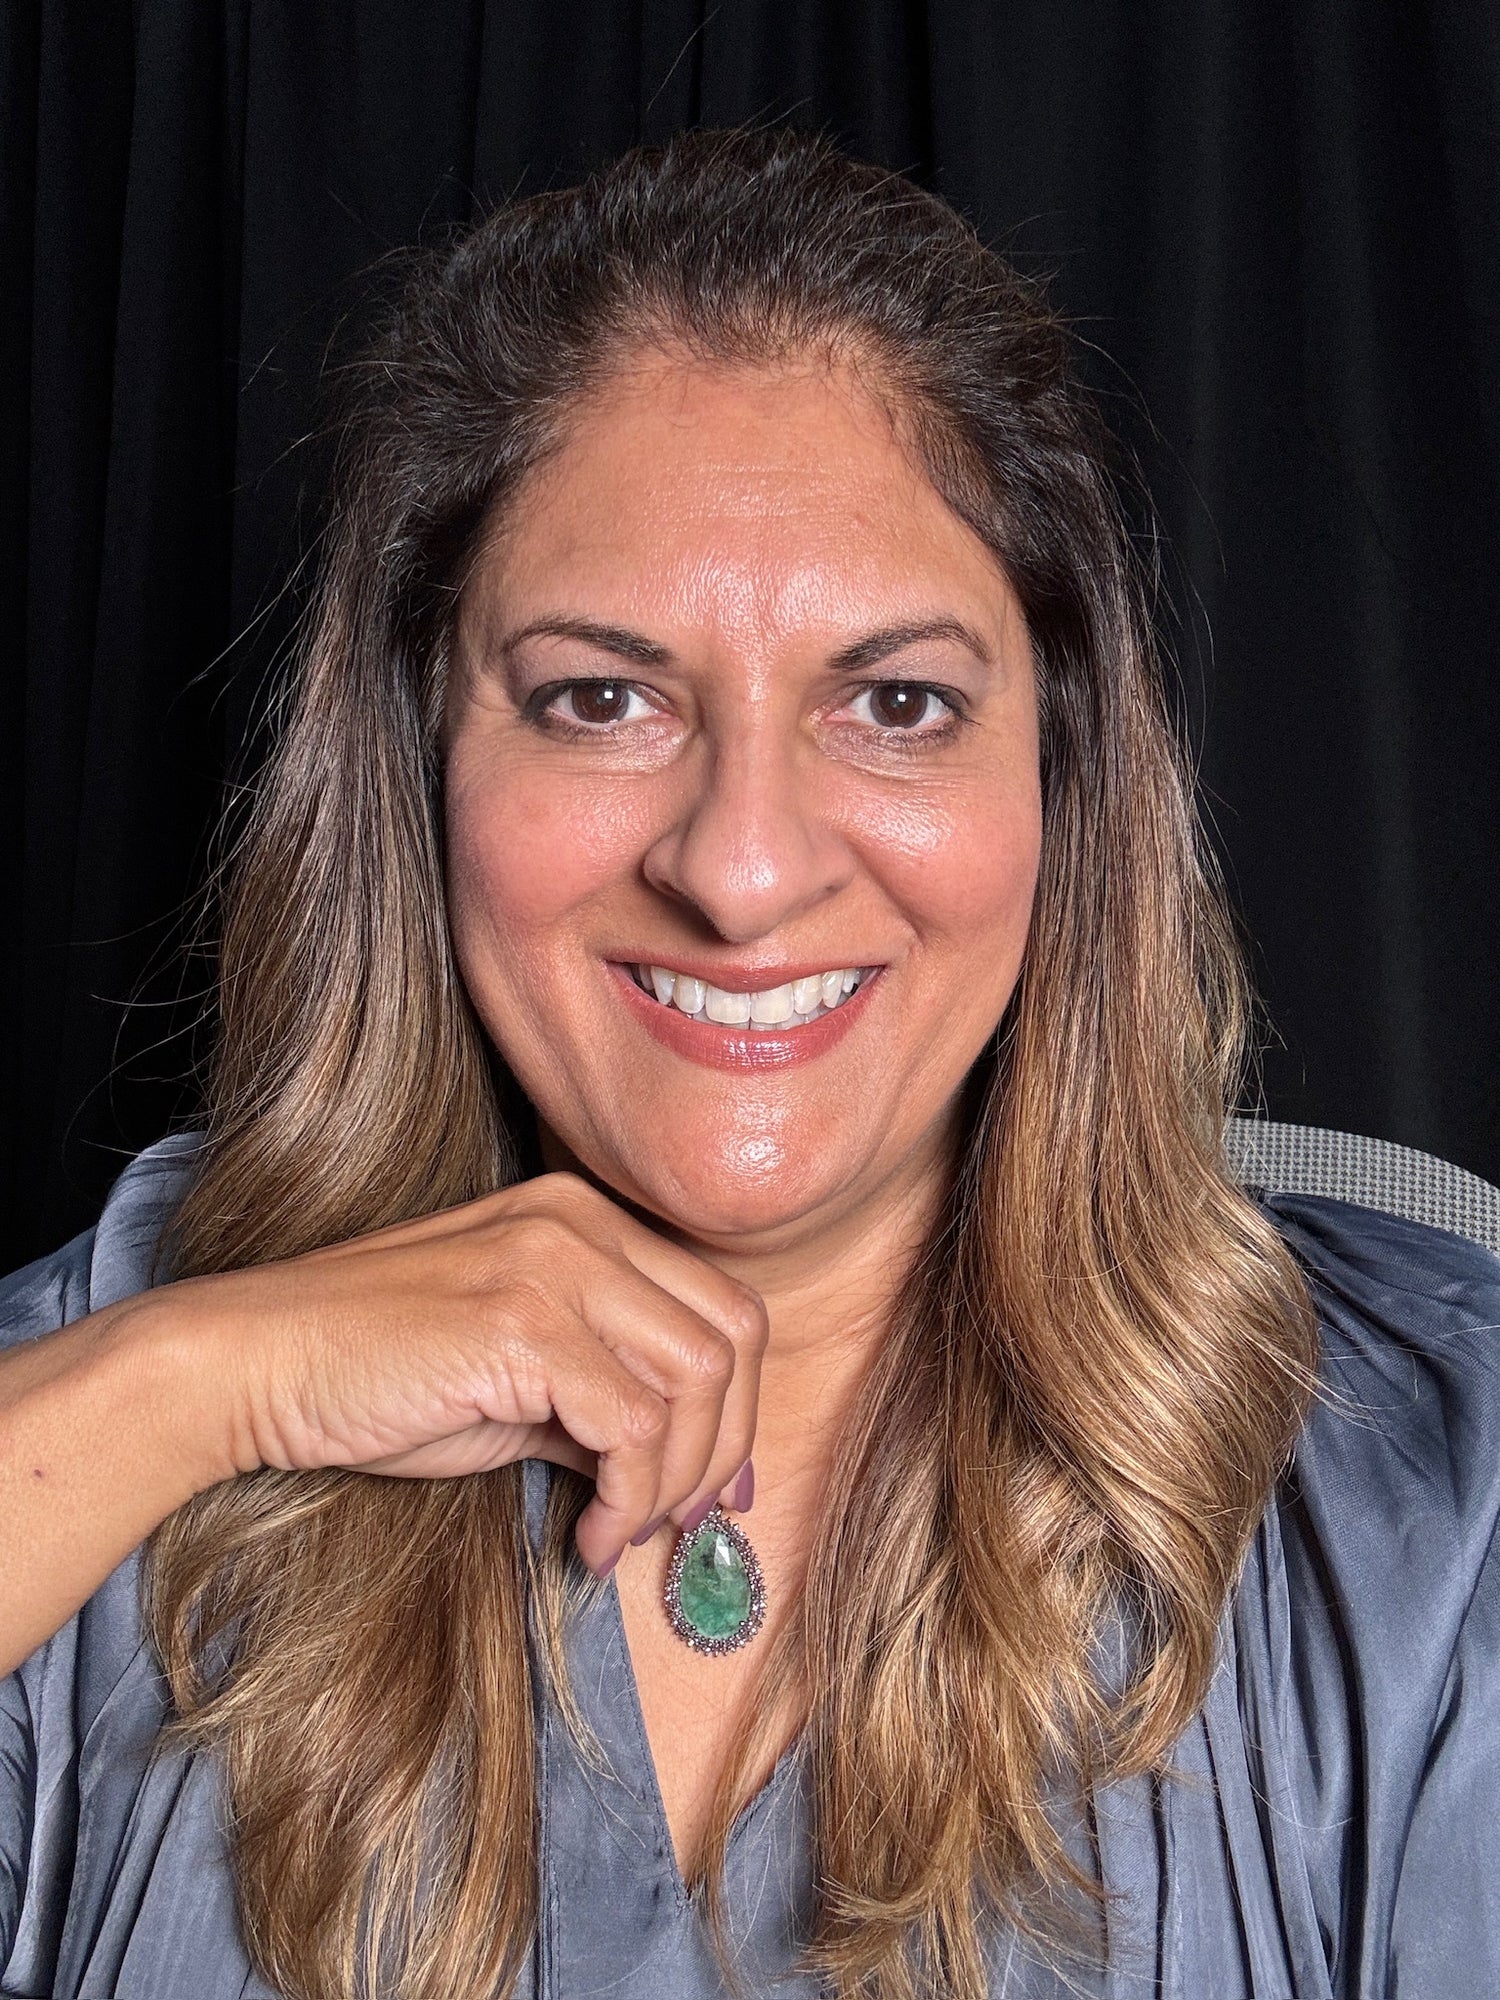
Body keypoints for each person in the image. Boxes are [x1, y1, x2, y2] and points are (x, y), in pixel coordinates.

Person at [2, 124, 1498, 2000]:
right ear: (415, 764)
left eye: (895, 703)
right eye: (603, 699)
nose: (742, 866)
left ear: (1059, 771)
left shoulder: (1443, 1500)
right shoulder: (115, 1392)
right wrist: (191, 1384)